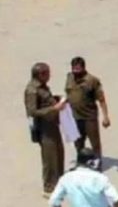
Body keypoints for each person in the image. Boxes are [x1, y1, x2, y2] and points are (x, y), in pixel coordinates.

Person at [24, 62, 66, 197]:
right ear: (40, 74)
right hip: (44, 128)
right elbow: (32, 111)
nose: (49, 75)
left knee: (59, 153)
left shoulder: (42, 87)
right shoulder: (32, 90)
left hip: (53, 125)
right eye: (47, 73)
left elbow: (44, 101)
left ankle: (60, 182)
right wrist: (54, 108)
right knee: (49, 158)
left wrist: (56, 100)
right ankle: (49, 187)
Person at [65, 57, 110, 164]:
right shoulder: (69, 77)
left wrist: (105, 117)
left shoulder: (92, 80)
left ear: (83, 68)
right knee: (78, 143)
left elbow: (101, 99)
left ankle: (97, 163)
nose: (75, 72)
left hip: (89, 117)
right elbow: (68, 93)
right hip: (74, 117)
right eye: (74, 69)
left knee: (95, 143)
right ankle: (81, 163)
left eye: (78, 69)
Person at [48, 147, 118, 207]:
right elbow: (116, 199)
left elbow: (53, 201)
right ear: (90, 163)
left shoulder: (66, 178)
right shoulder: (100, 178)